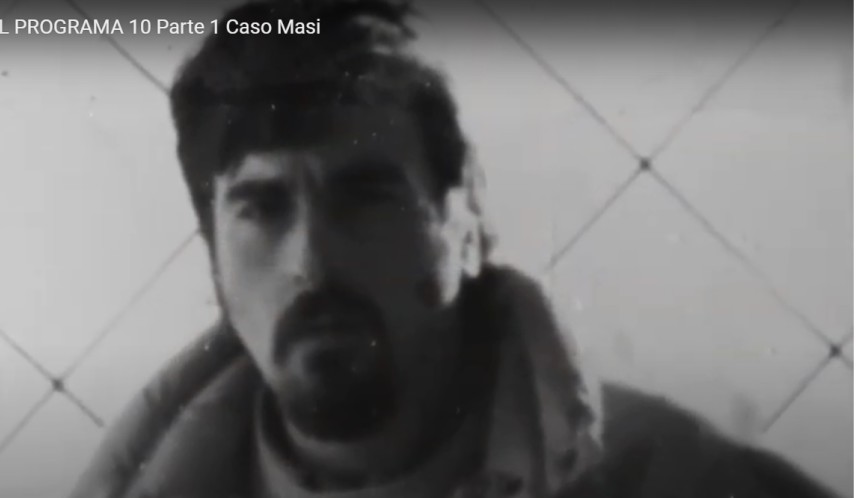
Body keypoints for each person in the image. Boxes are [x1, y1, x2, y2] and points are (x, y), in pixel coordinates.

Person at [68, 1, 839, 497]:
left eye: (365, 196)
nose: (311, 262)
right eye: (261, 209)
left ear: (466, 223)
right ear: (213, 257)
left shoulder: (685, 481)